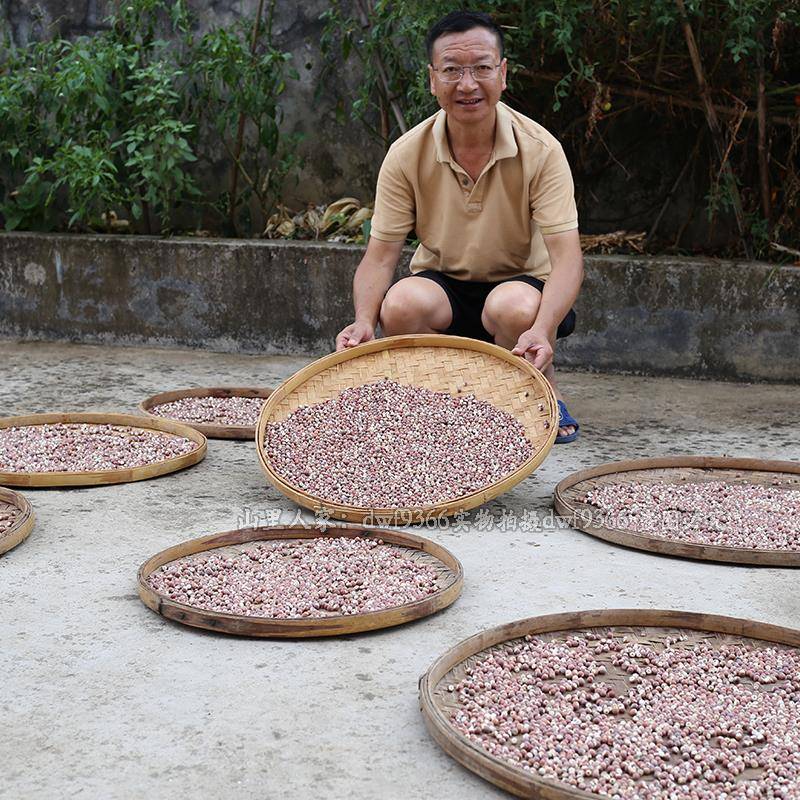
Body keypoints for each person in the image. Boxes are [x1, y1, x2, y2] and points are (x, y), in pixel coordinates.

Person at [335, 10, 583, 442]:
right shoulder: (405, 153)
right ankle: (436, 404)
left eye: (482, 68)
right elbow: (380, 256)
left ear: (503, 74)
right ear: (433, 80)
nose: (467, 84)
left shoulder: (542, 150)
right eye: (451, 70)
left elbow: (566, 259)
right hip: (443, 286)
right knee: (400, 303)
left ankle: (536, 393)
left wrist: (543, 329)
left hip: (520, 287)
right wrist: (362, 321)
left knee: (514, 307)